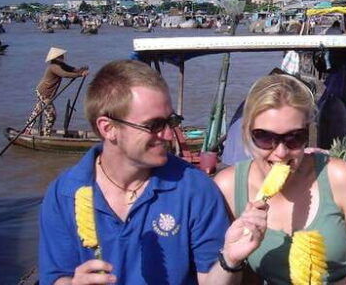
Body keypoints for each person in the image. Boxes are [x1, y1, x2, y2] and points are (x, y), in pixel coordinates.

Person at [38, 60, 262, 285]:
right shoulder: (64, 193)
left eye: (171, 121)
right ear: (109, 128)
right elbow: (56, 276)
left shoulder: (195, 189)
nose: (169, 135)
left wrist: (229, 261)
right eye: (154, 125)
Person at [214, 74, 346, 284]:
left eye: (294, 137)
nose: (280, 153)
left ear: (307, 133)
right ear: (246, 133)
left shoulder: (338, 177)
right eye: (265, 137)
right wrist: (231, 257)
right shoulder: (228, 188)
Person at [25, 47, 89, 136]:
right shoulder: (53, 67)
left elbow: (71, 69)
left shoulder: (61, 65)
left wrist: (81, 70)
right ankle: (46, 134)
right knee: (51, 115)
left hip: (43, 92)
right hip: (44, 93)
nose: (63, 57)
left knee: (37, 111)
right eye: (61, 56)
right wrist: (80, 74)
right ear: (56, 58)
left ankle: (27, 130)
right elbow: (65, 74)